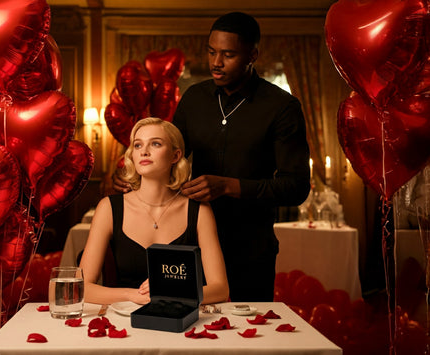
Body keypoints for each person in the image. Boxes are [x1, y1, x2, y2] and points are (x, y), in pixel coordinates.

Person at [114, 12, 310, 302]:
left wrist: (229, 186)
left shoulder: (282, 107)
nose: (216, 63)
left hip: (251, 249)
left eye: (228, 54)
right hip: (190, 244)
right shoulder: (194, 99)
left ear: (252, 55)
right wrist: (133, 177)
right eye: (211, 52)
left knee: (248, 340)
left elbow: (297, 187)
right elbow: (166, 156)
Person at [80, 117, 229, 305]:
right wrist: (131, 295)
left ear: (175, 156)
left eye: (156, 144)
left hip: (183, 324)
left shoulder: (199, 211)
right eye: (137, 145)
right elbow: (82, 287)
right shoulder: (108, 208)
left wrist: (169, 290)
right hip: (123, 324)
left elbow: (220, 289)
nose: (144, 152)